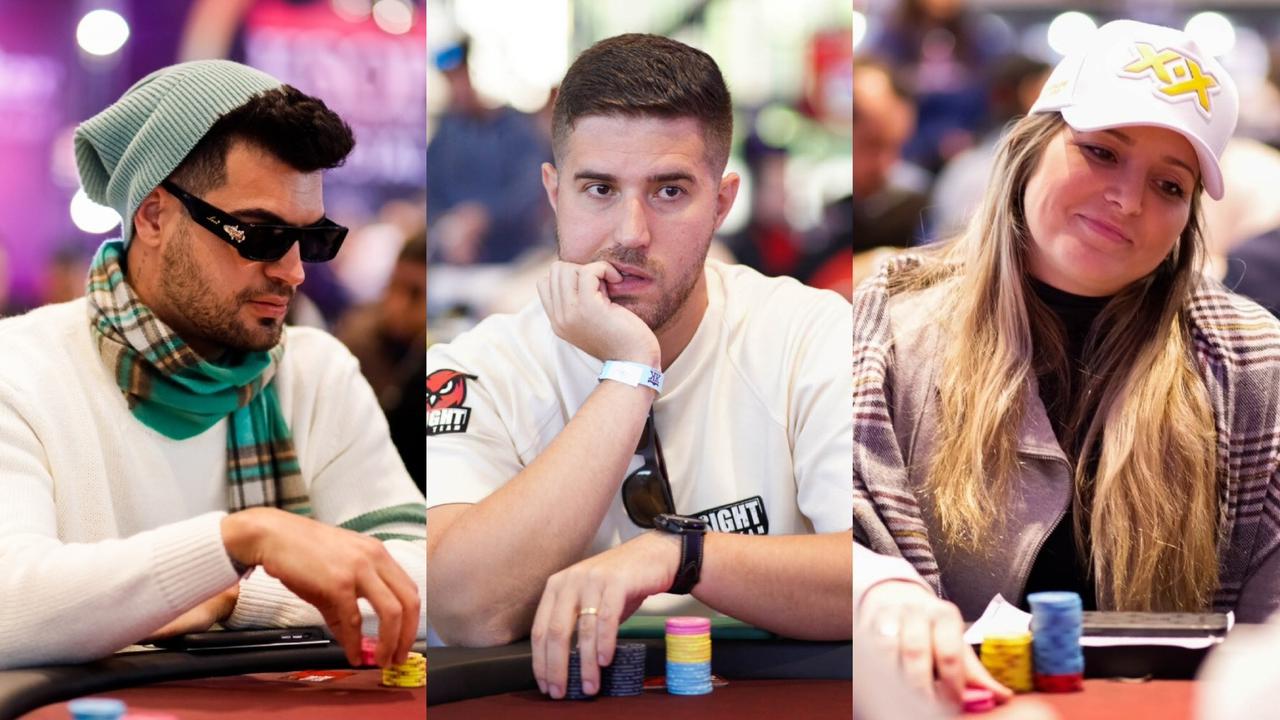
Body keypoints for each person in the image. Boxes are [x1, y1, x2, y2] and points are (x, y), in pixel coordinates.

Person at [853, 19, 1279, 711]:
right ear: (1029, 146)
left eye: (1170, 186)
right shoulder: (889, 331)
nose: (1128, 199)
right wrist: (878, 593)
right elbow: (836, 533)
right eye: (1101, 152)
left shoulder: (1249, 362)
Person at [427, 33, 852, 700]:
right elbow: (462, 609)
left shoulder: (809, 334)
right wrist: (629, 372)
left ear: (722, 201)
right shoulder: (476, 367)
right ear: (554, 192)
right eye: (599, 188)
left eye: (669, 191)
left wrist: (678, 556)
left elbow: (882, 578)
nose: (630, 232)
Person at [0, 60, 425, 670]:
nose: (293, 272)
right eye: (258, 235)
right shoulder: (19, 371)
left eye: (312, 239)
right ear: (153, 216)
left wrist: (232, 594)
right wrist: (243, 541)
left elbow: (418, 584)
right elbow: (10, 606)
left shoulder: (315, 372)